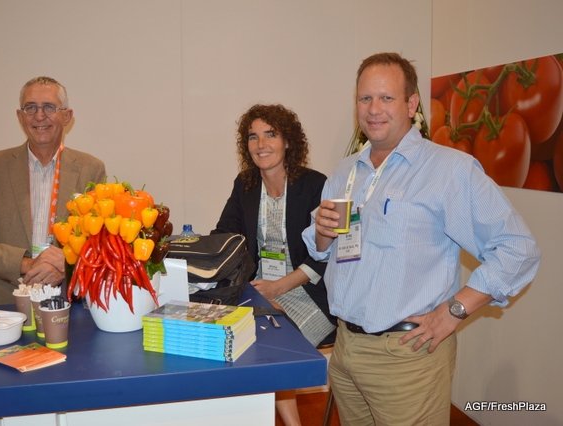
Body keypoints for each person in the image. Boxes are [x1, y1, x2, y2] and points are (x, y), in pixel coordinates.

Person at [302, 52, 541, 426]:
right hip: (346, 349)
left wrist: (455, 310)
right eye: (365, 98)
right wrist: (322, 233)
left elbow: (517, 248)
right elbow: (322, 251)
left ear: (411, 104)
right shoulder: (347, 171)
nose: (374, 109)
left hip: (407, 357)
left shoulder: (449, 170)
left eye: (386, 97)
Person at [213, 104, 336, 426]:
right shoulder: (245, 184)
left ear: (288, 141)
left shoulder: (314, 185)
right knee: (229, 342)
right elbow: (225, 234)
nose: (261, 144)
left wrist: (278, 288)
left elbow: (326, 254)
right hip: (258, 290)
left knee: (269, 348)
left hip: (310, 294)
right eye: (253, 137)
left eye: (270, 134)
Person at [0, 76, 106, 306]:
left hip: (64, 298)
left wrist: (67, 263)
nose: (39, 115)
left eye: (49, 107)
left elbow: (99, 244)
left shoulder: (91, 169)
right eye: (30, 108)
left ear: (67, 116)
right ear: (20, 116)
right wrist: (28, 264)